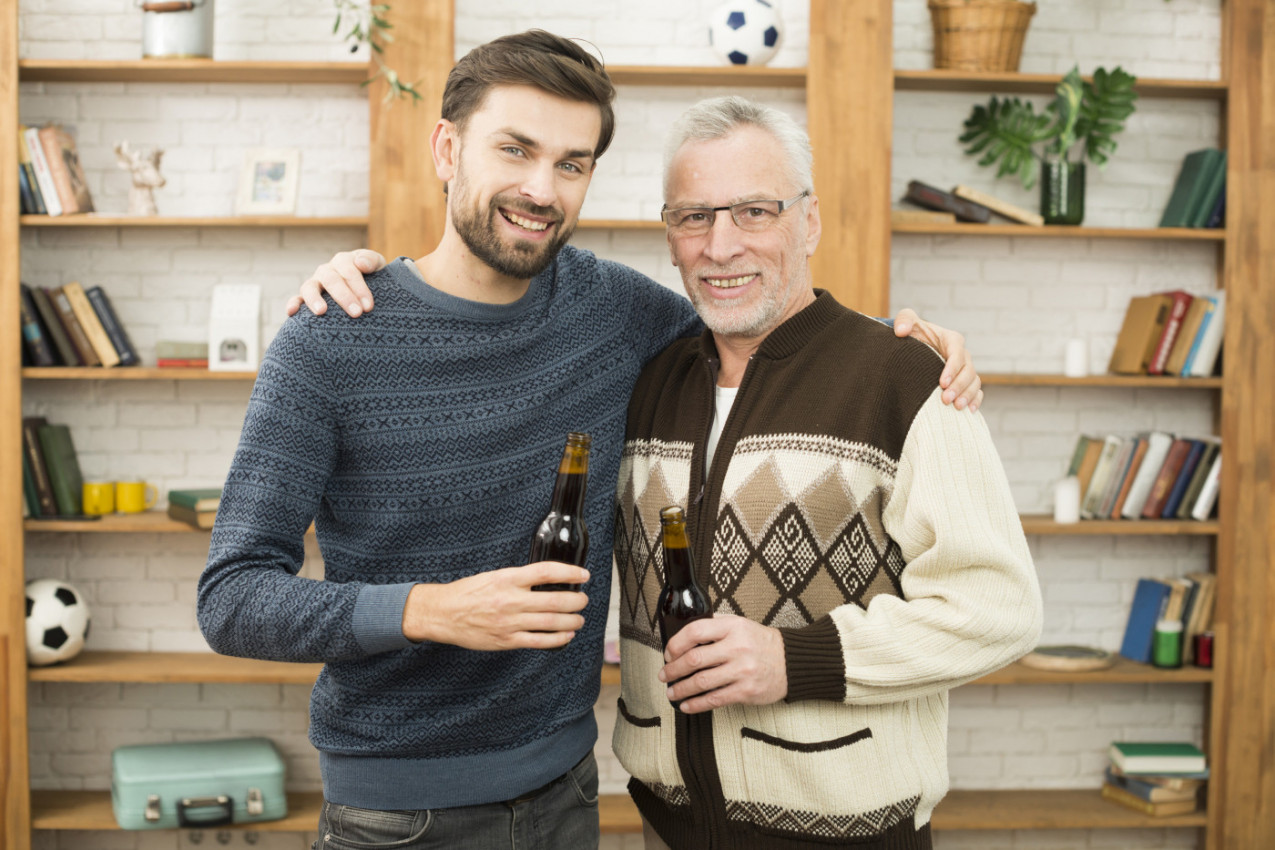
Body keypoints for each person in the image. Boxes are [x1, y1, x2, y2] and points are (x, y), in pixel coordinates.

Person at [199, 30, 982, 850]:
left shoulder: (616, 312)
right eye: (515, 150)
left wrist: (898, 342)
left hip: (569, 795)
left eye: (571, 164)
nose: (542, 188)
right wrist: (433, 611)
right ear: (446, 148)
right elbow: (232, 598)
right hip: (394, 815)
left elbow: (760, 317)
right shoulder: (330, 339)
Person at [608, 96, 1043, 850]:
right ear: (669, 235)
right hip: (665, 829)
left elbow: (997, 607)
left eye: (753, 212)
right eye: (693, 217)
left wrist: (793, 660)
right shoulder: (647, 381)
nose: (719, 246)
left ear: (807, 221)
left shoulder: (905, 379)